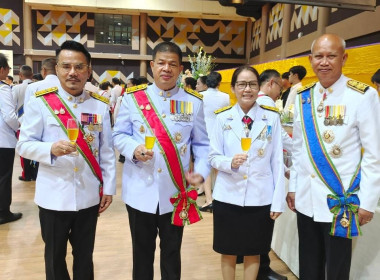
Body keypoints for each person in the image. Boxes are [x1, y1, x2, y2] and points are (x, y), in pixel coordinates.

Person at [16, 40, 116, 280]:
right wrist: (50, 148)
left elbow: (106, 151)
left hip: (88, 197)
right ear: (56, 69)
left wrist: (109, 189)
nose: (73, 72)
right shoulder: (41, 102)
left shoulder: (99, 105)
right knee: (54, 257)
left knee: (85, 256)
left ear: (89, 70)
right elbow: (24, 145)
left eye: (79, 67)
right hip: (53, 197)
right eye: (66, 66)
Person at [113, 41, 210, 280]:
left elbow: (203, 144)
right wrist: (133, 149)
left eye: (172, 64)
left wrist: (201, 171)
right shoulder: (133, 98)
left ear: (180, 69)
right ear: (152, 66)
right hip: (139, 191)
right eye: (161, 63)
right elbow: (118, 135)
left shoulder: (194, 102)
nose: (166, 68)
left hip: (175, 193)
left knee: (172, 253)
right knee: (141, 255)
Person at [286, 34, 380, 280]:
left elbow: (374, 154)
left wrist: (368, 201)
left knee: (337, 270)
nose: (324, 62)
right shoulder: (302, 96)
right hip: (306, 199)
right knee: (308, 266)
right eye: (319, 56)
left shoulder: (363, 95)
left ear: (344, 58)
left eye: (331, 56)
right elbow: (298, 149)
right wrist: (294, 187)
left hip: (341, 201)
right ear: (310, 59)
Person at [209, 65, 285, 280]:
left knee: (254, 250)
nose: (247, 89)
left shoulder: (271, 118)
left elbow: (277, 161)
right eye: (242, 84)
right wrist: (229, 162)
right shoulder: (222, 118)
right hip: (228, 195)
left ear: (258, 87)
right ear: (233, 88)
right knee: (228, 249)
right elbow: (213, 156)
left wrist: (277, 200)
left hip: (260, 197)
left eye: (252, 84)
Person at [198, 71, 230, 212]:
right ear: (219, 82)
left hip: (204, 133)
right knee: (218, 167)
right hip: (219, 133)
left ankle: (209, 199)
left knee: (205, 167)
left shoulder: (201, 95)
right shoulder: (225, 96)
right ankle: (218, 197)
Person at [0, 53, 22, 225]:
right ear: (2, 70)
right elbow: (9, 116)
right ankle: (3, 213)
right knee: (4, 178)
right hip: (3, 141)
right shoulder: (3, 89)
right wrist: (18, 127)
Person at [12, 65, 38, 181]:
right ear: (32, 75)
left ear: (20, 75)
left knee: (24, 149)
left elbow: (12, 106)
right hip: (36, 122)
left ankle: (26, 174)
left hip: (21, 123)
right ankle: (36, 173)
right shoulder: (37, 87)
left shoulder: (16, 88)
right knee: (36, 148)